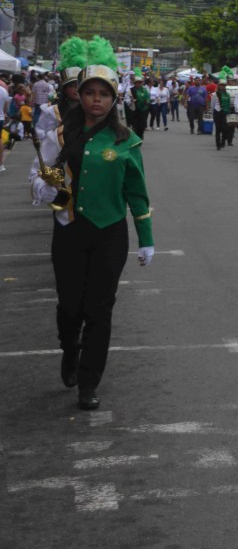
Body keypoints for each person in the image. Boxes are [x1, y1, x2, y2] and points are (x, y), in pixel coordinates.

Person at [29, 36, 154, 410]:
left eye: (104, 93)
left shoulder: (127, 140)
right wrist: (48, 189)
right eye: (90, 92)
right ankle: (70, 350)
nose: (96, 99)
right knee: (70, 306)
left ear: (114, 98)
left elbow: (137, 193)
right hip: (69, 229)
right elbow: (42, 173)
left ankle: (88, 381)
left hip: (110, 233)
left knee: (100, 308)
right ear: (79, 96)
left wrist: (146, 238)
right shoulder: (60, 134)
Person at [211, 68, 234, 150]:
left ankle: (223, 141)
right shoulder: (214, 94)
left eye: (224, 85)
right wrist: (213, 114)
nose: (222, 86)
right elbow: (212, 105)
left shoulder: (227, 94)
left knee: (225, 129)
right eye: (221, 85)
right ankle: (218, 144)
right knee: (218, 129)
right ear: (218, 86)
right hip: (217, 112)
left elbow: (229, 103)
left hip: (225, 112)